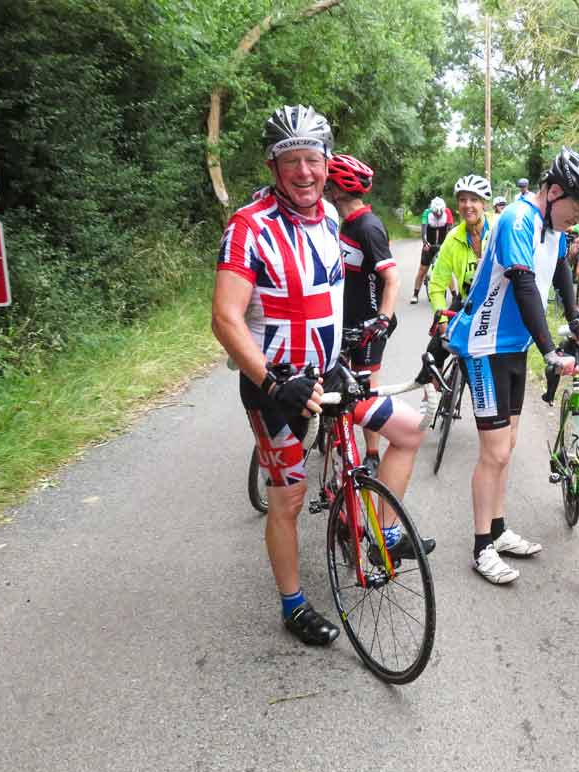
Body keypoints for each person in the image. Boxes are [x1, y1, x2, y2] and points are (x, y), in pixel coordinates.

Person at [211, 105, 430, 648]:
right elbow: (225, 318)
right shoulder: (248, 227)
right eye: (292, 161)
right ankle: (293, 605)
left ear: (328, 162)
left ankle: (375, 533)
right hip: (277, 387)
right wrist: (270, 381)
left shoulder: (333, 219)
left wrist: (357, 340)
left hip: (331, 374)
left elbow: (331, 295)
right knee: (288, 495)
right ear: (273, 165)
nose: (305, 172)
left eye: (313, 159)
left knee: (406, 429)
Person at [447, 148, 579, 584]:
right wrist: (551, 349)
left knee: (509, 443)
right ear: (553, 192)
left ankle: (498, 531)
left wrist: (573, 317)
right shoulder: (517, 219)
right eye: (576, 209)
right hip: (483, 345)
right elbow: (522, 284)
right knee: (494, 451)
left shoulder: (551, 226)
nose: (577, 219)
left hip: (512, 346)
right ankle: (481, 546)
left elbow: (557, 271)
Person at [323, 153, 400, 472]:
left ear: (339, 188)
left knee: (366, 388)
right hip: (345, 319)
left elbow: (392, 277)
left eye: (329, 182)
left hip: (370, 322)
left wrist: (381, 320)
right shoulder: (347, 222)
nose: (324, 186)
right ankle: (335, 433)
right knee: (338, 380)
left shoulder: (368, 227)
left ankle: (371, 453)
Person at [417, 174, 493, 385]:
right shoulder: (453, 238)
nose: (468, 205)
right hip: (466, 301)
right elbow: (437, 285)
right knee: (433, 353)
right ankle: (432, 404)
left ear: (484, 203)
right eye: (462, 200)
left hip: (494, 306)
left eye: (474, 199)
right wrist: (441, 320)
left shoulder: (497, 230)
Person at [414, 197, 453, 304]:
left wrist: (448, 245)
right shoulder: (427, 213)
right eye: (436, 214)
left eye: (440, 214)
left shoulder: (447, 212)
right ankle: (415, 294)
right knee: (422, 269)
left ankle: (454, 295)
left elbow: (450, 231)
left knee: (447, 269)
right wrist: (425, 243)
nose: (438, 215)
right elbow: (424, 231)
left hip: (443, 243)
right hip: (429, 243)